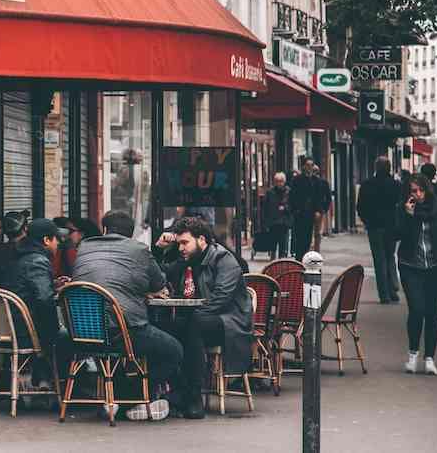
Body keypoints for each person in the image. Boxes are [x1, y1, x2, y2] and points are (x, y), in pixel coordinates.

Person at [72, 211, 180, 422]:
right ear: (130, 235)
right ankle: (132, 395)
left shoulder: (84, 247)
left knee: (113, 351)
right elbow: (159, 284)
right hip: (123, 330)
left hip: (83, 331)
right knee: (174, 351)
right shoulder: (139, 250)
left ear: (104, 230)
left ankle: (120, 394)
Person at [154, 216, 253, 420]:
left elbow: (221, 299)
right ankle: (180, 391)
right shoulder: (185, 260)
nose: (181, 248)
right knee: (161, 329)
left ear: (201, 240)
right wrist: (158, 249)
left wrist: (194, 315)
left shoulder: (223, 259)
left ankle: (193, 397)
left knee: (194, 324)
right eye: (178, 243)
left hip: (228, 322)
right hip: (198, 321)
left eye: (184, 243)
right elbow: (158, 276)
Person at [397, 176, 437, 375]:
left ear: (427, 190)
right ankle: (413, 354)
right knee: (417, 310)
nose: (417, 195)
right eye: (413, 191)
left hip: (435, 267)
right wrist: (408, 215)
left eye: (420, 191)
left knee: (432, 313)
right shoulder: (404, 209)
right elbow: (395, 235)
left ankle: (429, 359)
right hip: (410, 266)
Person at [5, 218, 62, 387]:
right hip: (25, 330)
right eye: (56, 239)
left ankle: (44, 381)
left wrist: (53, 285)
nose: (58, 244)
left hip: (9, 324)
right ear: (46, 240)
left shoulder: (18, 256)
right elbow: (44, 299)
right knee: (71, 338)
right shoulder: (37, 260)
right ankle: (66, 387)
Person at [357, 157, 402, 303]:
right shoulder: (395, 185)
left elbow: (360, 207)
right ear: (389, 168)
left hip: (374, 227)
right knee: (390, 257)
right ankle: (393, 288)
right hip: (391, 226)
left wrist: (367, 221)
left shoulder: (367, 184)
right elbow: (401, 206)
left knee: (379, 259)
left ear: (376, 168)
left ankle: (384, 294)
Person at [289, 159, 331, 260]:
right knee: (299, 237)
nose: (309, 168)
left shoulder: (317, 181)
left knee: (310, 237)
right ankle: (299, 258)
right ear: (303, 167)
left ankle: (309, 258)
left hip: (312, 213)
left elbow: (320, 197)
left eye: (311, 165)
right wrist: (294, 210)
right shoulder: (297, 180)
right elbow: (292, 196)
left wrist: (321, 210)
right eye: (307, 165)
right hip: (300, 213)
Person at [261, 172, 292, 259]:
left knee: (283, 244)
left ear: (284, 181)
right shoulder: (270, 192)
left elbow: (292, 205)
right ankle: (273, 260)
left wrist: (285, 208)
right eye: (277, 181)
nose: (279, 183)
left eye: (281, 181)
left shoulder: (288, 191)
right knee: (273, 244)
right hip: (273, 222)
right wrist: (265, 222)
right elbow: (265, 208)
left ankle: (282, 261)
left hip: (284, 222)